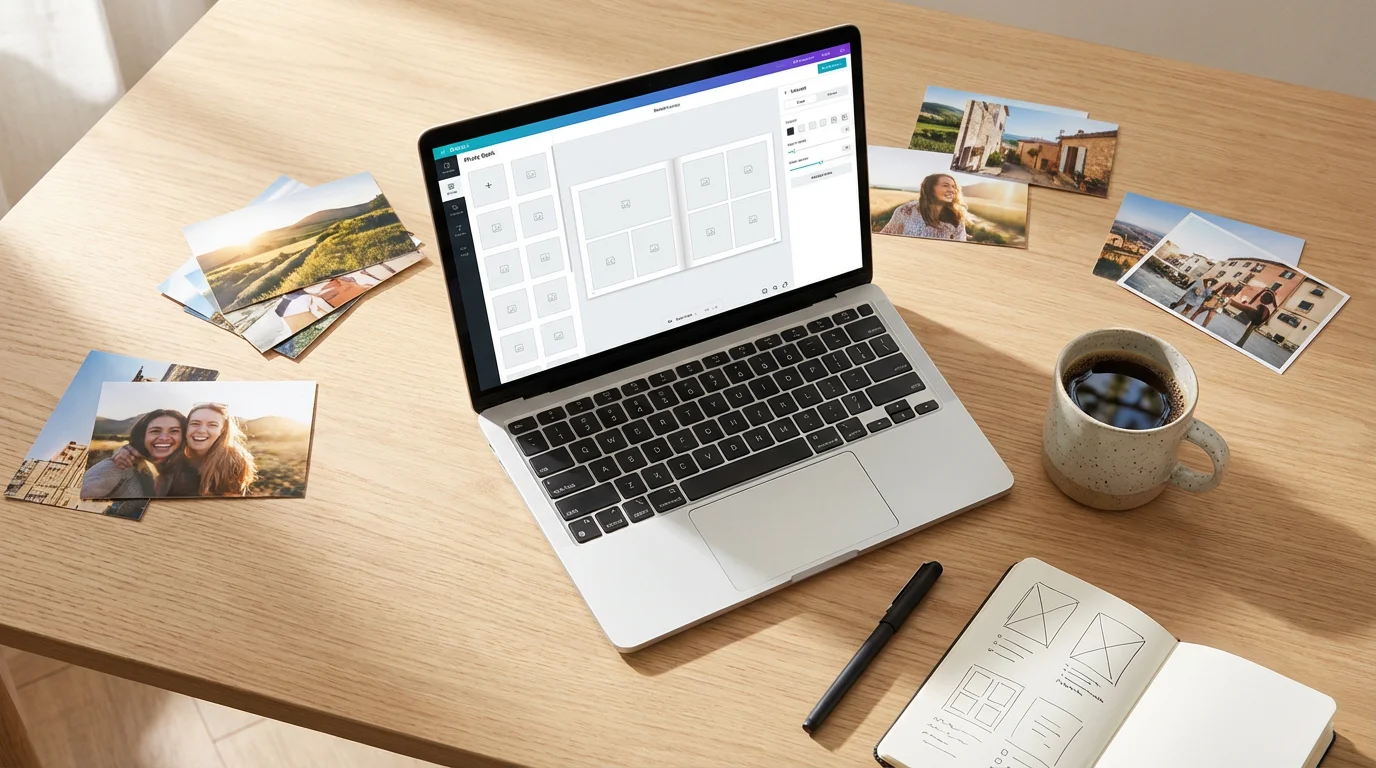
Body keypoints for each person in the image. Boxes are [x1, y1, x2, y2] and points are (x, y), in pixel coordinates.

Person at [80, 409, 187, 499]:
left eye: (174, 431)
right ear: (143, 436)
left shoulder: (185, 470)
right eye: (155, 431)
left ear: (183, 437)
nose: (164, 438)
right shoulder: (119, 466)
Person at [180, 402, 257, 496]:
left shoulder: (233, 462)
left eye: (212, 425)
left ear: (222, 430)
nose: (201, 430)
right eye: (195, 423)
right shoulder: (174, 458)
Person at [879, 173, 969, 241]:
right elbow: (885, 236)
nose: (952, 190)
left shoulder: (957, 217)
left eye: (954, 187)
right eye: (945, 185)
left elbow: (959, 246)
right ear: (930, 188)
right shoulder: (907, 210)